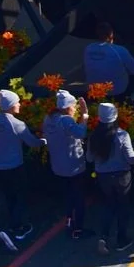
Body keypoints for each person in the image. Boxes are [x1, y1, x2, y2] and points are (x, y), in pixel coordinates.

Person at [0, 89, 42, 250]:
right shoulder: (17, 124)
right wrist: (44, 141)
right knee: (20, 195)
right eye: (17, 102)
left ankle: (11, 223)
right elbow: (32, 142)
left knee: (9, 196)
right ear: (10, 106)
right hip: (13, 166)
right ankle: (18, 229)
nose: (19, 104)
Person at [87, 101, 134, 255]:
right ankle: (122, 239)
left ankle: (103, 237)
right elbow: (130, 159)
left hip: (103, 177)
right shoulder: (122, 135)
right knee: (123, 207)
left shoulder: (93, 136)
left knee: (109, 205)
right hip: (122, 176)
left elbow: (89, 158)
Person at [43, 90, 89, 241]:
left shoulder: (48, 119)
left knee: (68, 196)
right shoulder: (66, 121)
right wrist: (85, 115)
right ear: (67, 107)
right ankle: (79, 228)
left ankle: (69, 220)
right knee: (79, 198)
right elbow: (81, 133)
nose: (75, 109)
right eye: (74, 107)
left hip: (58, 166)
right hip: (73, 167)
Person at [81, 20, 134, 102]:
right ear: (111, 34)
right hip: (116, 92)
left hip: (94, 90)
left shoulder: (88, 48)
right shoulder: (120, 50)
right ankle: (132, 101)